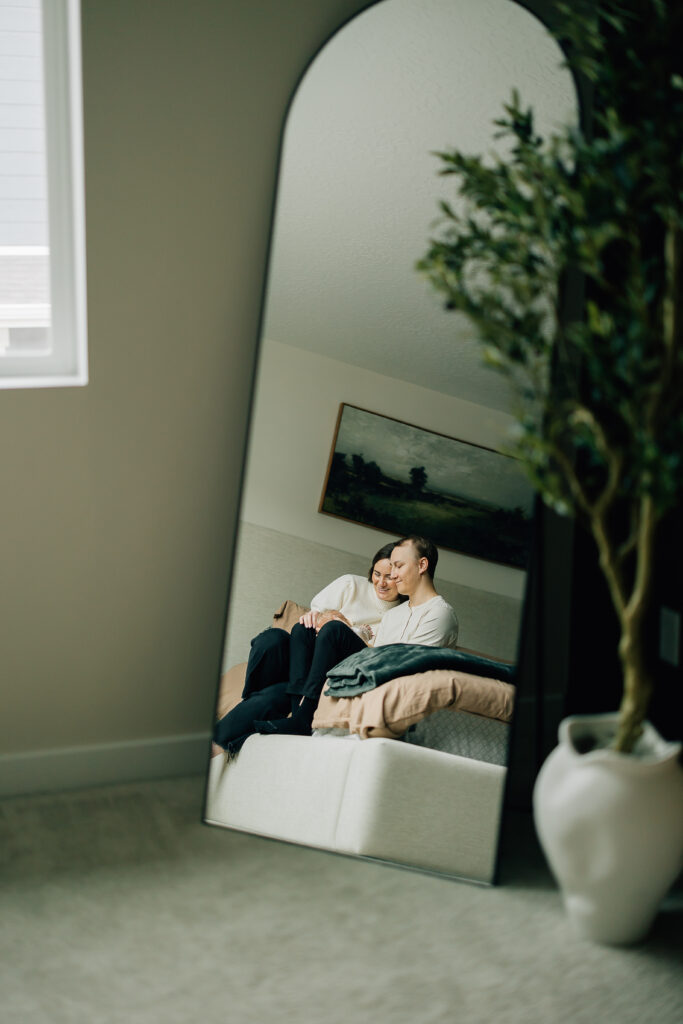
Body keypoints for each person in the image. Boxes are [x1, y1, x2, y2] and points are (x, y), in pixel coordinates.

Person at [213, 542, 402, 753]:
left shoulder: (400, 615)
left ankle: (294, 717)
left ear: (402, 577)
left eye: (390, 577)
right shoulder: (351, 584)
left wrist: (345, 627)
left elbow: (380, 655)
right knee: (274, 638)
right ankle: (285, 710)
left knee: (274, 695)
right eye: (377, 574)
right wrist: (320, 617)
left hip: (331, 671)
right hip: (302, 662)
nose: (381, 583)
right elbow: (314, 616)